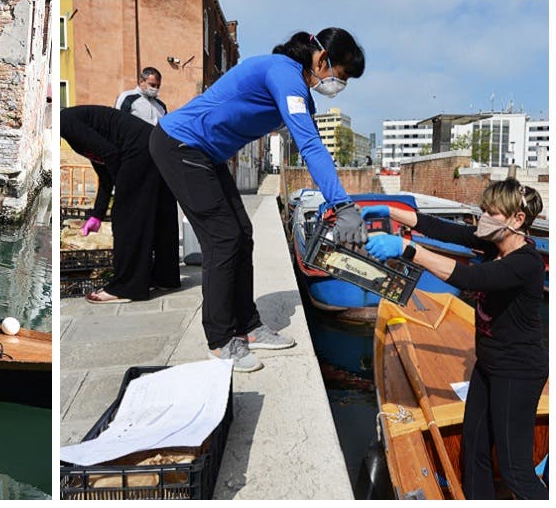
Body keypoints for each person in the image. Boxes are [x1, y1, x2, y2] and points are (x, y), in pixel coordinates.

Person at [149, 28, 368, 372]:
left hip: (206, 154)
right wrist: (342, 205)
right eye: (339, 77)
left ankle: (248, 327)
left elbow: (309, 142)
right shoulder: (283, 73)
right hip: (180, 145)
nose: (337, 86)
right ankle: (221, 341)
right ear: (323, 59)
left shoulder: (299, 92)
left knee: (243, 234)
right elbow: (311, 146)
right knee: (223, 238)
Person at [363, 179, 547, 500]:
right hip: (487, 365)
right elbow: (441, 229)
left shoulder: (526, 264)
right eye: (483, 210)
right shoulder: (493, 245)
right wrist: (389, 211)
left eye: (493, 213)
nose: (483, 219)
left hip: (518, 372)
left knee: (515, 469)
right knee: (473, 451)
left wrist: (409, 249)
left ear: (518, 220)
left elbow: (471, 278)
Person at [61, 105, 180, 303]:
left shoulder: (65, 123)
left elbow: (110, 155)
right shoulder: (75, 122)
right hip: (153, 145)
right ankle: (165, 277)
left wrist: (125, 194)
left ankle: (126, 287)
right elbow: (104, 170)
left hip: (136, 150)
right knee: (160, 213)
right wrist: (97, 214)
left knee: (127, 219)